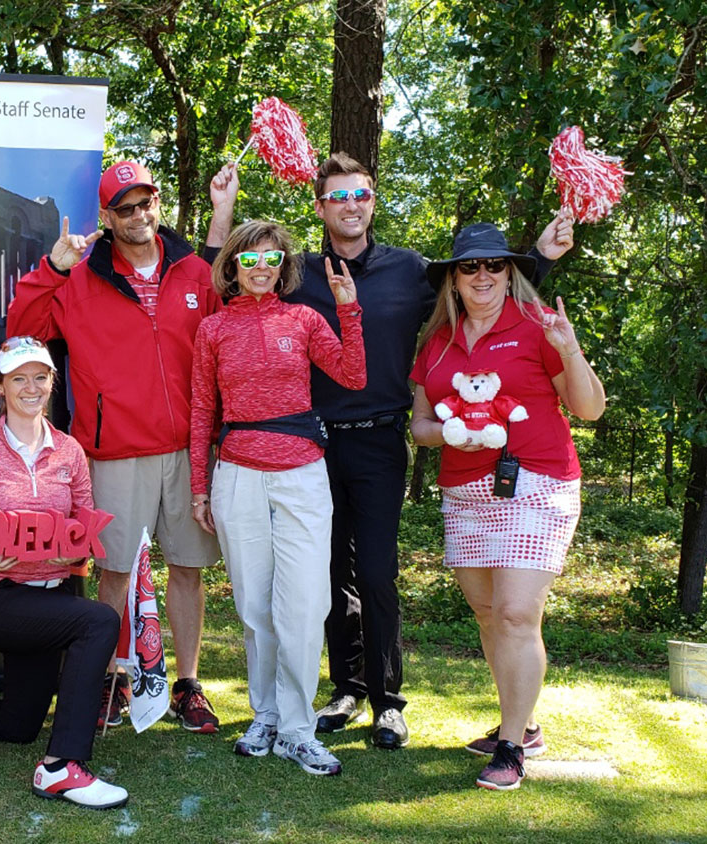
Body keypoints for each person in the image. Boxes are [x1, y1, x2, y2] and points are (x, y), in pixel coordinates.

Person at [206, 155, 574, 750]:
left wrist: (545, 257)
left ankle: (387, 700)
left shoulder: (409, 270)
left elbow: (480, 298)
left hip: (380, 439)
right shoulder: (295, 272)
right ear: (321, 206)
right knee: (324, 577)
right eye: (338, 196)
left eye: (361, 194)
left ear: (372, 202)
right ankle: (345, 688)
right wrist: (223, 214)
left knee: (376, 573)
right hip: (310, 444)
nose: (351, 205)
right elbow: (225, 288)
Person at [7, 161, 232, 734]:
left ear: (157, 203)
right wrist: (53, 268)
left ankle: (187, 686)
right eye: (124, 207)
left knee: (187, 567)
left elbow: (225, 333)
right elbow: (21, 330)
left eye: (145, 202)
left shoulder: (192, 271)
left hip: (187, 448)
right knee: (114, 572)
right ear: (107, 218)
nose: (138, 215)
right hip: (113, 450)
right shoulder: (80, 278)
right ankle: (110, 681)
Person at [408, 223, 605, 790]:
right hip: (466, 493)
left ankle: (512, 747)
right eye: (469, 267)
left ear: (510, 272)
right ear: (453, 279)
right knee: (490, 613)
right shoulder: (438, 341)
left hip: (538, 483)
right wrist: (449, 435)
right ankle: (525, 722)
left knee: (518, 612)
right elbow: (421, 426)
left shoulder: (539, 326)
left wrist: (570, 350)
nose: (483, 276)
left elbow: (589, 409)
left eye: (494, 265)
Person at [0, 336, 128, 810]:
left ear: (53, 382)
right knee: (98, 621)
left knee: (17, 727)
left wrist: (78, 548)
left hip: (48, 599)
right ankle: (60, 768)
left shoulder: (70, 452)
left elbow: (83, 519)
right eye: (18, 378)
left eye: (40, 376)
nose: (31, 387)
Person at [189, 221, 365, 774]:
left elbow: (353, 376)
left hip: (302, 474)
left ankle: (297, 726)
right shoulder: (213, 330)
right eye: (249, 258)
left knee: (306, 604)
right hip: (237, 473)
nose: (261, 266)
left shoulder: (305, 318)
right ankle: (266, 715)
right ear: (233, 266)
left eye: (272, 257)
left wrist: (348, 310)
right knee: (254, 603)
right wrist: (199, 486)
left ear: (284, 265)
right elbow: (201, 414)